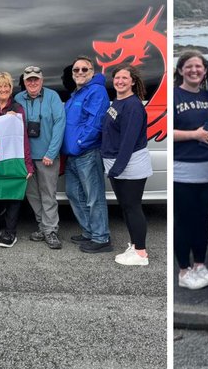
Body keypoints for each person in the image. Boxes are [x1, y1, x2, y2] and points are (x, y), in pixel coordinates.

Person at [172, 50, 208, 290]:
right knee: (183, 220)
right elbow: (165, 133)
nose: (194, 70)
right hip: (183, 169)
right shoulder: (174, 95)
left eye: (199, 67)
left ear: (205, 70)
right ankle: (183, 270)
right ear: (181, 70)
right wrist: (195, 135)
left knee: (202, 220)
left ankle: (200, 265)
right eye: (189, 66)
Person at [102, 67, 152, 268]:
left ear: (133, 82)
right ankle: (134, 245)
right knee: (126, 207)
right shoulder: (118, 102)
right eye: (117, 78)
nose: (120, 81)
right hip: (117, 162)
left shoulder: (133, 105)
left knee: (133, 207)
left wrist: (117, 168)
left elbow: (128, 141)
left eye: (125, 78)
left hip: (129, 164)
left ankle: (141, 253)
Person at [63, 55, 113, 253]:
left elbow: (96, 122)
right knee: (74, 194)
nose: (80, 73)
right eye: (76, 70)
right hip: (73, 155)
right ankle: (89, 232)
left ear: (92, 73)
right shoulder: (76, 94)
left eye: (84, 69)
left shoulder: (96, 91)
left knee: (94, 197)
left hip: (87, 152)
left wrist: (79, 143)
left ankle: (101, 238)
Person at [18, 66, 66, 250]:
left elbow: (59, 124)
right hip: (27, 157)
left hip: (47, 157)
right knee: (32, 194)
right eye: (29, 80)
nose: (32, 83)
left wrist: (51, 153)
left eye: (35, 79)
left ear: (42, 80)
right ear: (24, 82)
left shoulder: (52, 96)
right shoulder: (18, 99)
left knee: (48, 194)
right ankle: (43, 226)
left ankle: (51, 230)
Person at [0, 72, 34, 248]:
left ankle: (10, 232)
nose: (3, 89)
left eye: (6, 86)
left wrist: (28, 164)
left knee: (13, 193)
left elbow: (23, 137)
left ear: (11, 88)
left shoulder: (17, 107)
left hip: (12, 157)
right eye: (0, 87)